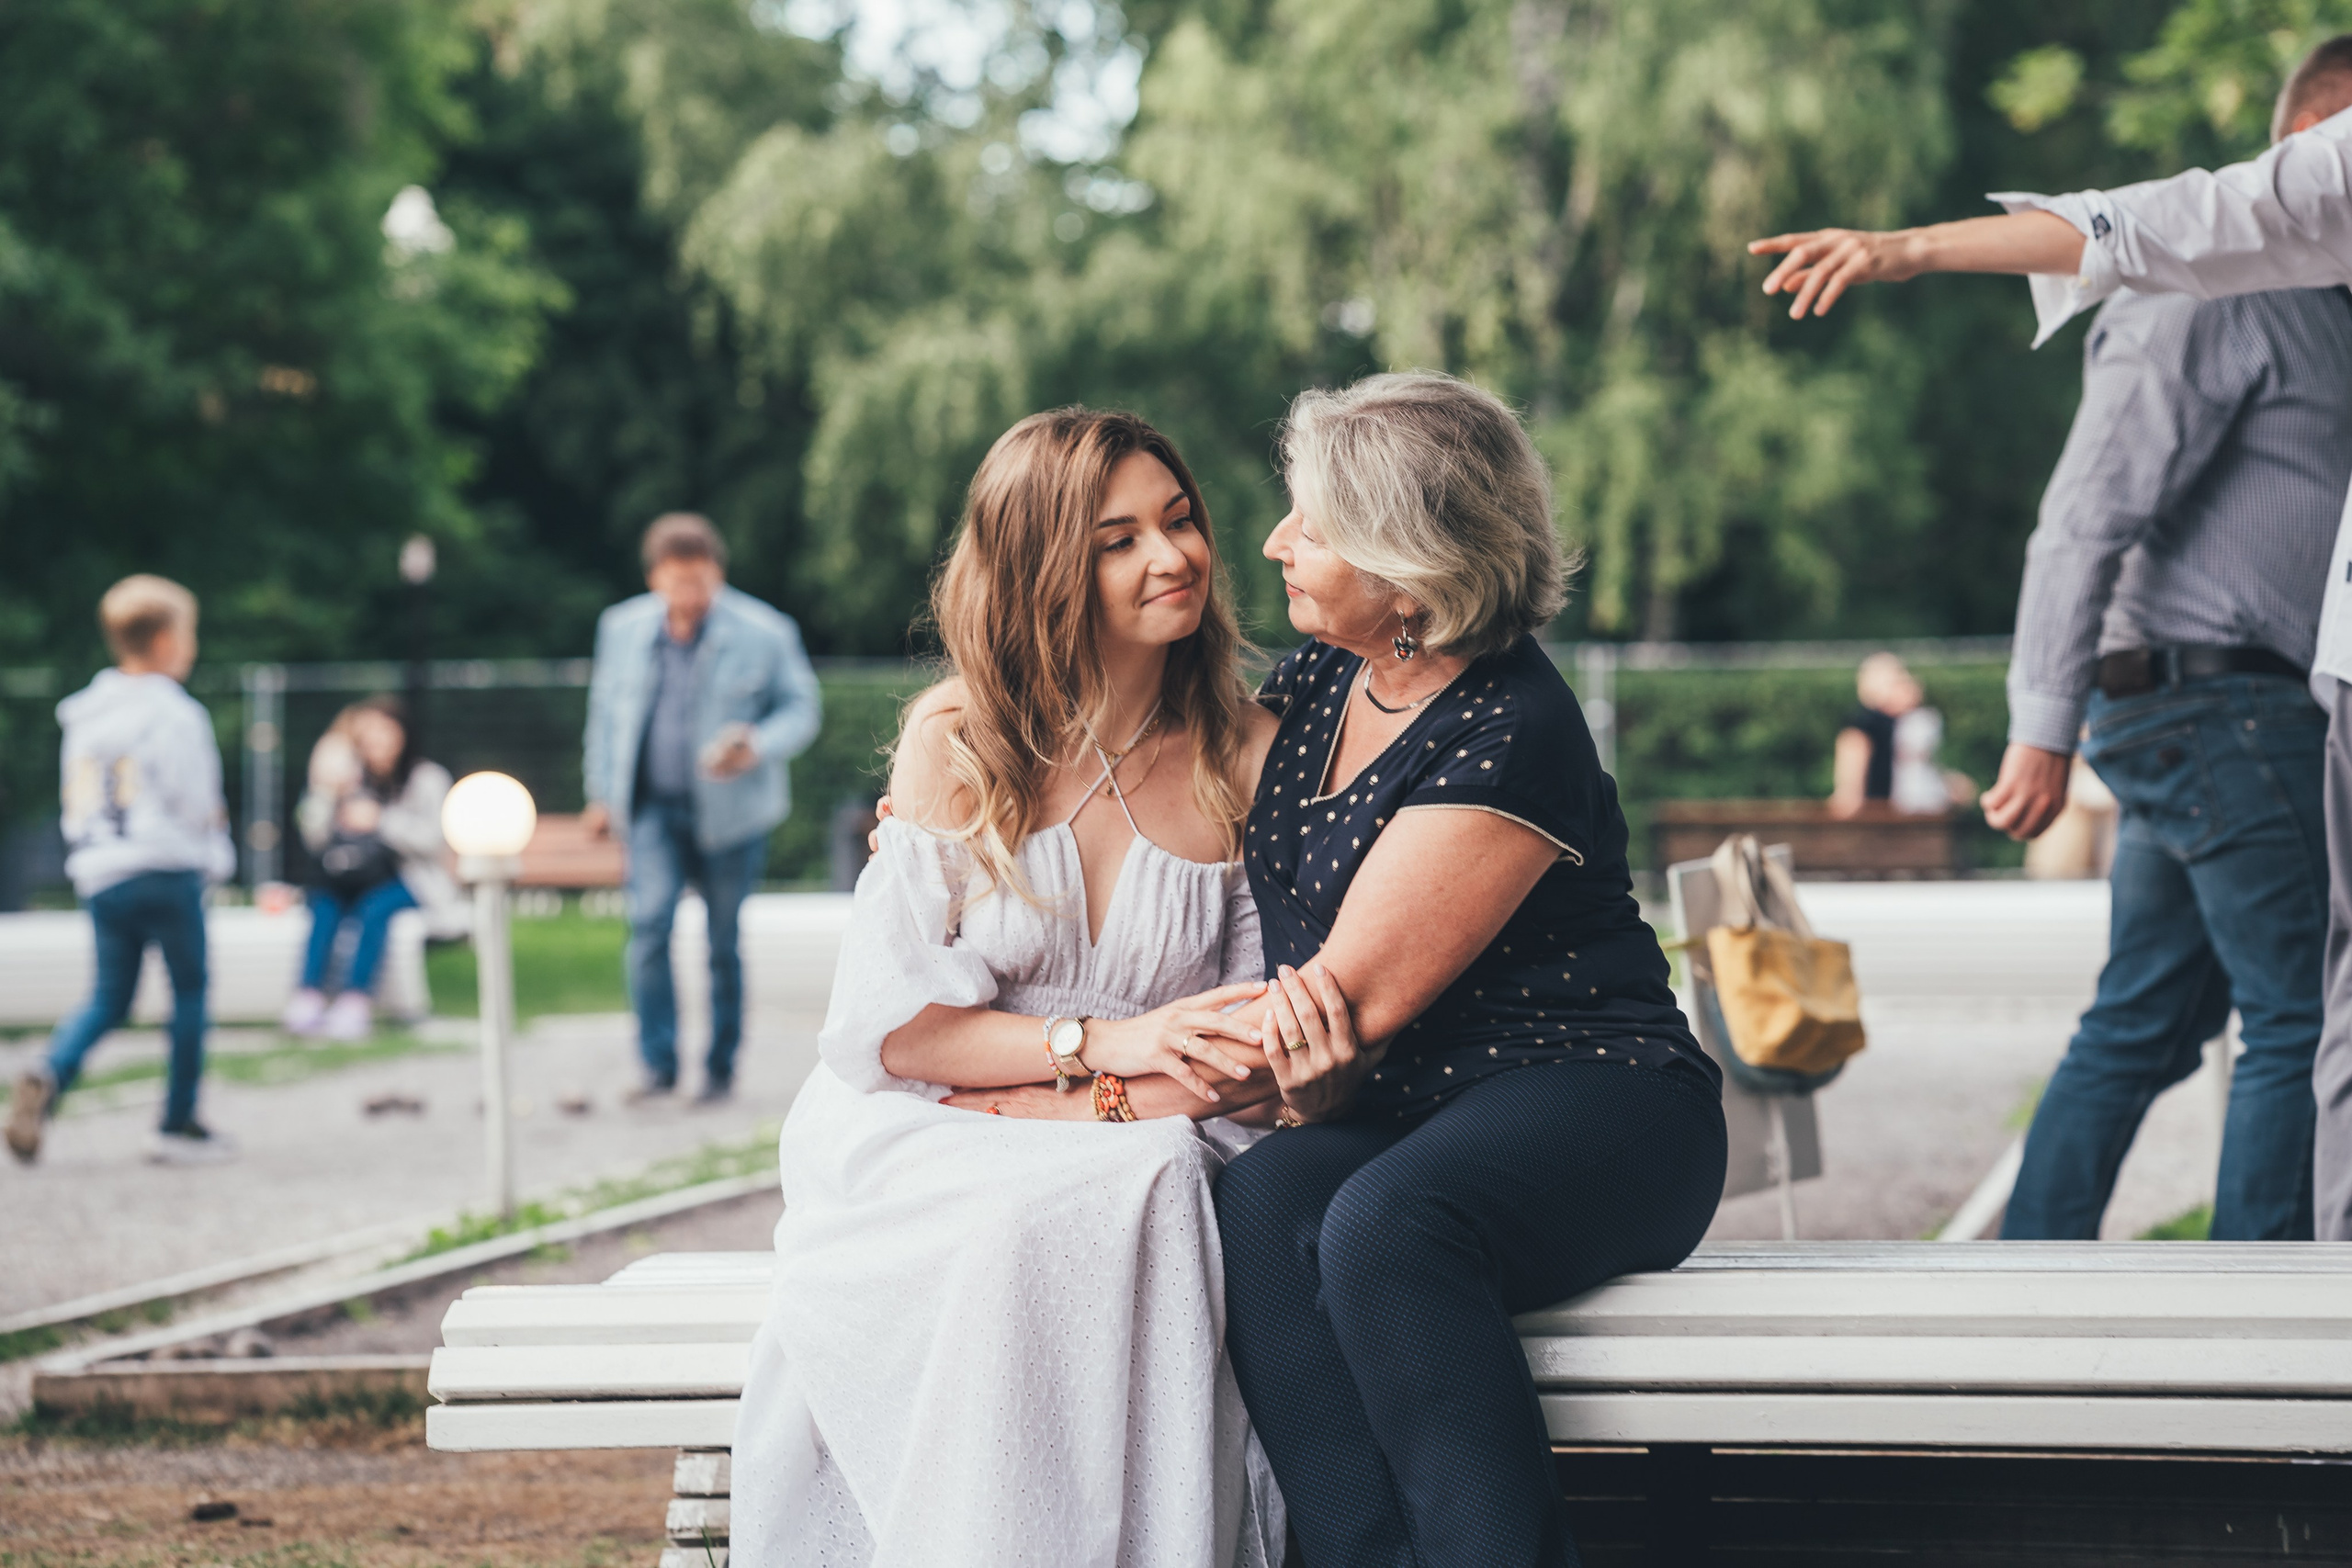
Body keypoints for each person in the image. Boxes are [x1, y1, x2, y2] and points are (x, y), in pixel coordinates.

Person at [1749, 37, 2352, 1240]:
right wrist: (2040, 723)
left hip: (2215, 704)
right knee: (2300, 1008)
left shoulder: (2320, 304)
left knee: (2149, 1016)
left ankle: (2017, 1271)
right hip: (2216, 703)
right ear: (2308, 141)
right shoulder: (2211, 290)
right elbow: (2087, 507)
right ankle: (2267, 1308)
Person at [727, 409, 1287, 1567]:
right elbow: (902, 1034)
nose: (1172, 556)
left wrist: (1099, 1101)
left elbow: (1241, 1054)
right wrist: (1106, 1046)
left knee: (1144, 1179)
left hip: (1164, 1125)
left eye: (1179, 521)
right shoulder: (960, 738)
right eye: (1117, 541)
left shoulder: (1246, 752)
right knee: (1017, 1220)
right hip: (937, 1125)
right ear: (1042, 570)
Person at [1215, 372, 1727, 1568]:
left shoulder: (1509, 725)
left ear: (1407, 571)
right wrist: (951, 817)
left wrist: (1072, 1076)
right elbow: (1142, 782)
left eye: (1313, 526)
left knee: (1388, 1222)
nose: (1276, 541)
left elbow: (1340, 1013)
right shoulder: (1324, 678)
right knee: (1264, 1202)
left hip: (1602, 1096)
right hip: (1418, 1106)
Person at [582, 513, 821, 1103]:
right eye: (676, 581)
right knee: (648, 927)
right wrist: (600, 793)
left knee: (721, 942)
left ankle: (719, 1068)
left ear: (717, 573)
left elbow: (802, 709)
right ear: (654, 577)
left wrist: (756, 744)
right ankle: (656, 1065)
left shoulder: (766, 630)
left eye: (699, 580)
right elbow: (604, 714)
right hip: (651, 810)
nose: (689, 593)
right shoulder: (621, 628)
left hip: (733, 815)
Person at [6, 576, 236, 1166]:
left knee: (110, 995)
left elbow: (78, 797)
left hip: (103, 869)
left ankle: (51, 1069)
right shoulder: (175, 714)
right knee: (189, 990)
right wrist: (215, 846)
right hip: (164, 866)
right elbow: (194, 799)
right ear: (164, 641)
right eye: (189, 634)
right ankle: (176, 1123)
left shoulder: (86, 715)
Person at [282, 696, 465, 1041]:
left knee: (374, 910)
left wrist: (381, 820)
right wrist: (324, 790)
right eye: (368, 733)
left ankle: (355, 999)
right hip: (353, 876)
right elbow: (314, 836)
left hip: (411, 879)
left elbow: (435, 839)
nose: (376, 741)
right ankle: (308, 995)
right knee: (323, 906)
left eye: (384, 731)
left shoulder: (427, 779)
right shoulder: (350, 779)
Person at [1830, 651, 1966, 817]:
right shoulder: (1863, 727)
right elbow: (1850, 789)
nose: (1913, 685)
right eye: (1901, 681)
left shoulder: (1907, 725)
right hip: (1880, 817)